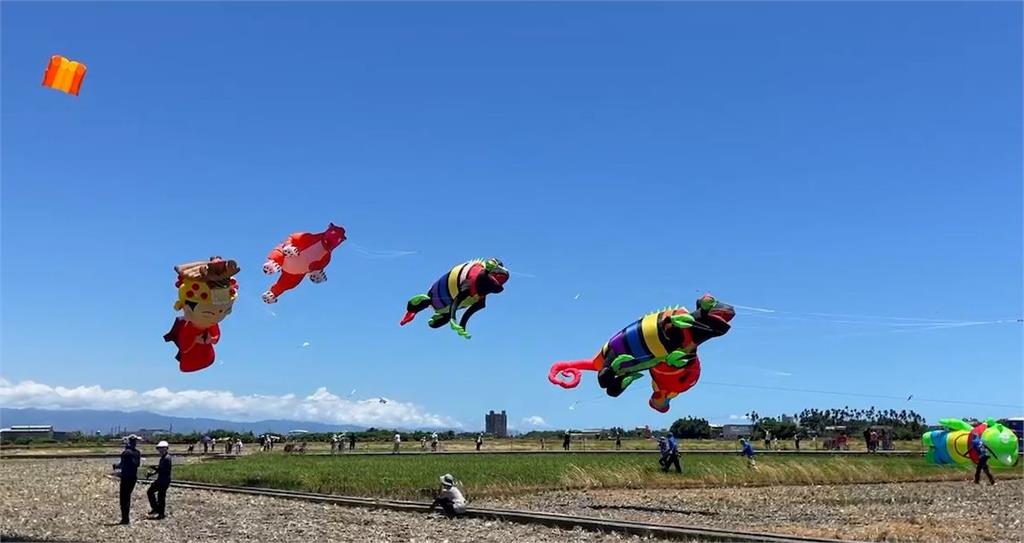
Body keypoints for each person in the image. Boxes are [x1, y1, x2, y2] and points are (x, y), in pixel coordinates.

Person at [113, 435, 142, 524]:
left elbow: (122, 465)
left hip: (126, 478)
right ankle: (126, 518)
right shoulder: (137, 452)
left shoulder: (126, 453)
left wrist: (115, 466)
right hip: (133, 477)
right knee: (128, 496)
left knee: (124, 498)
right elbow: (137, 464)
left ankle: (125, 519)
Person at [146, 441, 172, 519]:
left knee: (157, 495)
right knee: (159, 496)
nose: (159, 450)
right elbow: (160, 469)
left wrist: (154, 468)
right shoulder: (164, 457)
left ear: (165, 448)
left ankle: (159, 511)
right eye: (159, 449)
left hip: (163, 480)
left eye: (161, 448)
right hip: (162, 480)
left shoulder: (166, 458)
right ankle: (158, 511)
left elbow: (162, 470)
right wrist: (152, 473)